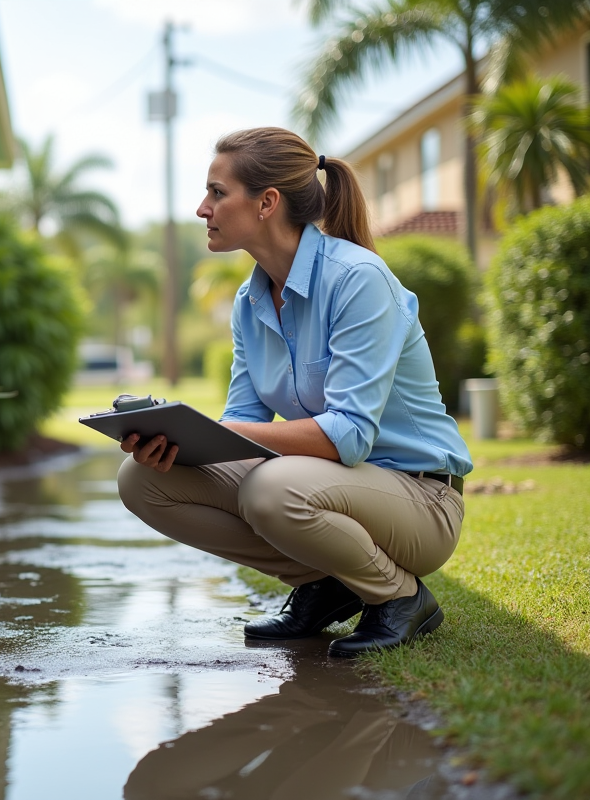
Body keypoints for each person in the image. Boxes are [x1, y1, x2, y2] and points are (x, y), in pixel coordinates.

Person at [117, 127, 472, 657]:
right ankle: (327, 582)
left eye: (217, 192)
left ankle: (400, 595)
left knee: (271, 488)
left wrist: (226, 432)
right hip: (331, 489)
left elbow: (350, 435)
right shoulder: (250, 300)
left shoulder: (357, 279)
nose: (201, 208)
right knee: (143, 479)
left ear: (267, 203)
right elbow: (243, 417)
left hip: (421, 501)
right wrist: (179, 441)